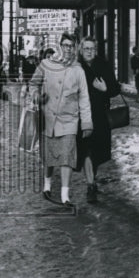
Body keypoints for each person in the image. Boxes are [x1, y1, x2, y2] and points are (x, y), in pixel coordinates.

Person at [29, 32, 93, 209]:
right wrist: (36, 96)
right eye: (65, 45)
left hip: (69, 120)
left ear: (75, 49)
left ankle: (65, 195)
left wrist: (87, 122)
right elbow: (33, 84)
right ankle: (47, 185)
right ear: (60, 46)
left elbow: (84, 98)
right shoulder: (46, 64)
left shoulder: (78, 70)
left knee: (67, 157)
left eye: (71, 46)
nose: (68, 49)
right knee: (49, 156)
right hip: (48, 117)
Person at [77, 36, 128, 203]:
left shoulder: (103, 65)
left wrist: (105, 89)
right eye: (86, 48)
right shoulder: (75, 66)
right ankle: (91, 185)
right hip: (81, 115)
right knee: (86, 149)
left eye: (92, 48)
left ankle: (92, 176)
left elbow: (115, 89)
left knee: (97, 151)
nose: (89, 52)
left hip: (99, 114)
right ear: (81, 49)